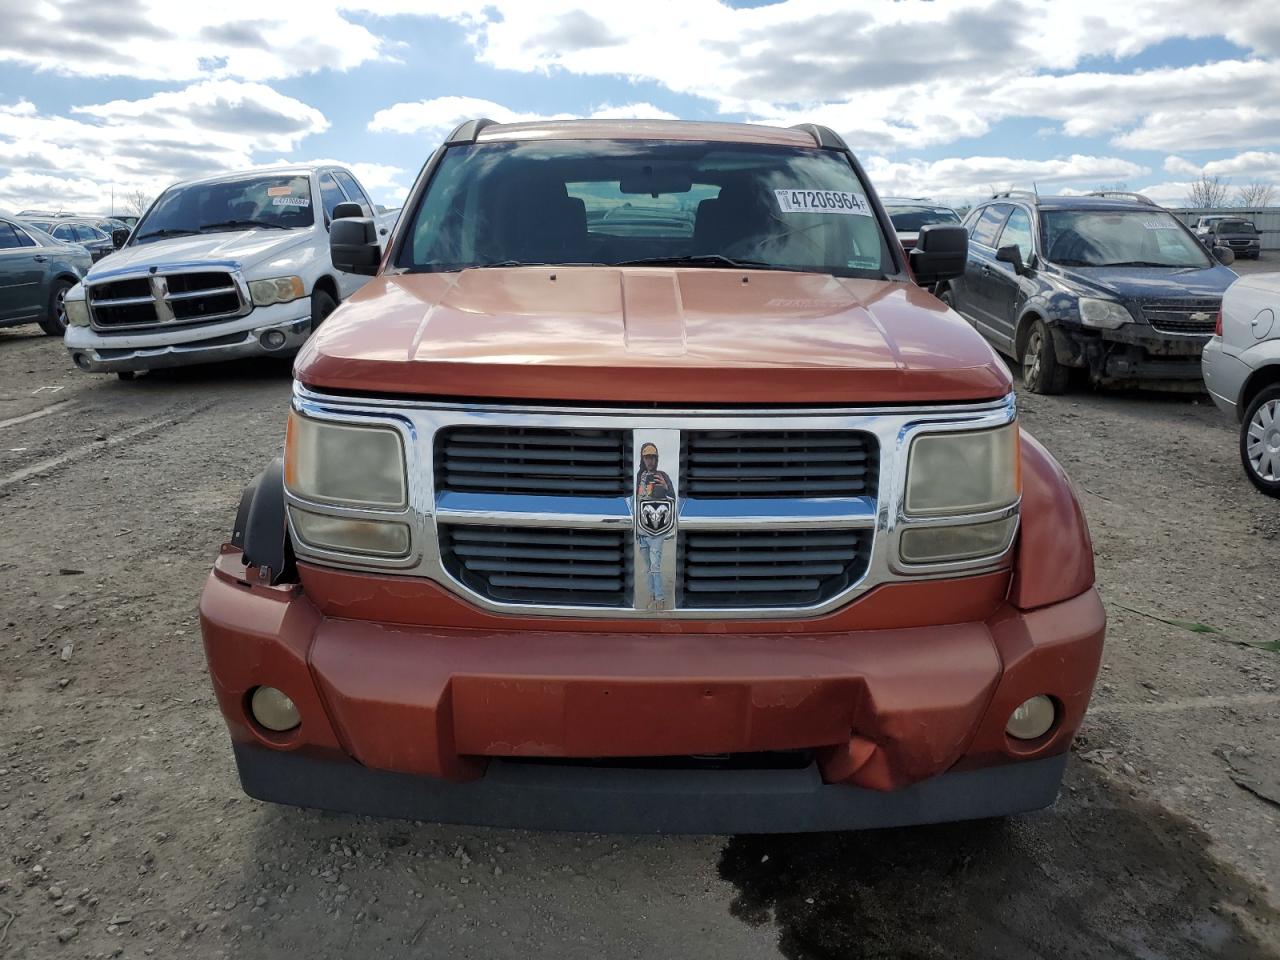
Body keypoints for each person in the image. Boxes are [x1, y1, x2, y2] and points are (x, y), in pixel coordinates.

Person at [635, 443, 674, 609]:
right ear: (642, 458)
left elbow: (673, 499)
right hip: (641, 529)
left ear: (657, 458)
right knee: (647, 568)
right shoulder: (639, 477)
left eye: (652, 457)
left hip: (657, 530)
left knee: (655, 566)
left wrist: (666, 488)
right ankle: (652, 595)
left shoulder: (662, 475)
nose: (650, 460)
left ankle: (660, 599)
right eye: (647, 457)